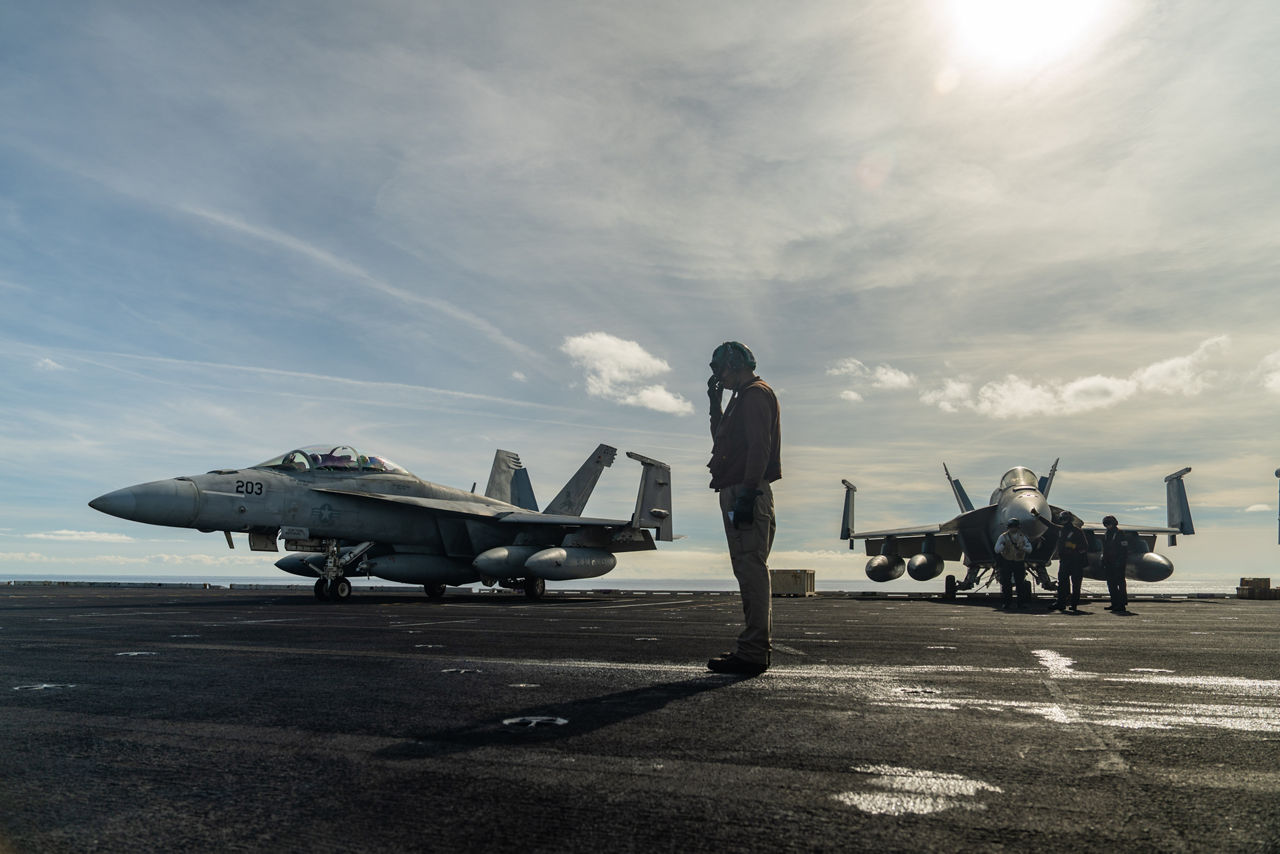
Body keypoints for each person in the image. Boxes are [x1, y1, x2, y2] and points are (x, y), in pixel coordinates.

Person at [705, 341, 781, 676]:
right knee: (746, 567)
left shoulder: (754, 394)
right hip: (738, 490)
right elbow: (721, 440)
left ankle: (752, 652)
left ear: (733, 363)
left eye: (721, 370)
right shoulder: (741, 397)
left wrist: (748, 495)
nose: (720, 378)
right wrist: (714, 403)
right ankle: (752, 647)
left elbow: (759, 447)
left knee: (750, 567)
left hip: (744, 491)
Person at [1046, 511, 1089, 613]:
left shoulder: (1077, 531)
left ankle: (1073, 605)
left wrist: (1073, 547)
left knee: (1076, 584)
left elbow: (1085, 546)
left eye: (1065, 519)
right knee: (1062, 584)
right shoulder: (1061, 530)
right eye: (1062, 519)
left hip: (1076, 561)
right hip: (1065, 561)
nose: (1063, 521)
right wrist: (1038, 516)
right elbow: (1050, 525)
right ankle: (1060, 604)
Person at [993, 518, 1033, 610]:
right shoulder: (1003, 537)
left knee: (1020, 584)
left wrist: (1022, 547)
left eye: (1014, 526)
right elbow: (997, 549)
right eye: (1011, 526)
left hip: (1019, 562)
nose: (1013, 528)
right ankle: (1007, 603)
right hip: (1007, 562)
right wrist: (1003, 546)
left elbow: (1029, 549)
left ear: (1018, 527)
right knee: (1006, 583)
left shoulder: (1022, 537)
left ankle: (1021, 603)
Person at [1101, 514, 1130, 613]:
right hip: (1109, 563)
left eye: (1108, 524)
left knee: (1120, 584)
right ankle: (1114, 603)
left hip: (1118, 564)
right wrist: (1104, 559)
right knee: (1111, 584)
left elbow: (1124, 549)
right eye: (1106, 524)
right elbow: (1105, 549)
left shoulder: (1120, 534)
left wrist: (1120, 562)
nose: (1107, 526)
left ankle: (1121, 604)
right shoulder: (1107, 534)